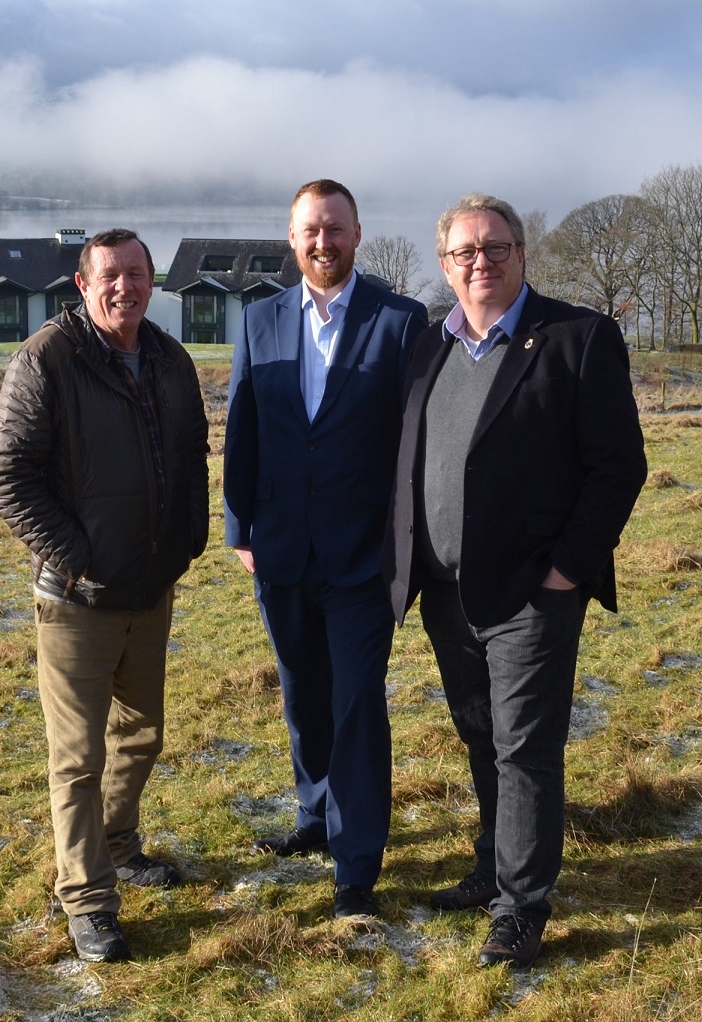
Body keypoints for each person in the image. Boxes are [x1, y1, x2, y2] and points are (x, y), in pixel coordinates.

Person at [385, 193, 646, 969]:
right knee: (480, 735)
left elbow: (618, 466)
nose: (481, 263)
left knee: (526, 748)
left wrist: (568, 568)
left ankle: (522, 911)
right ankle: (493, 867)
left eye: (496, 248)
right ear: (445, 264)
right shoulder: (428, 347)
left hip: (533, 591)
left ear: (522, 254)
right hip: (445, 589)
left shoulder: (577, 339)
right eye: (465, 252)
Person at [0, 228, 210, 963]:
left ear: (153, 281)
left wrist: (186, 543)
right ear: (82, 284)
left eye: (137, 274)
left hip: (151, 589)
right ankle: (87, 899)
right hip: (77, 599)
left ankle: (119, 842)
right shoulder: (47, 358)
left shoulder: (171, 360)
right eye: (110, 275)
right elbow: (6, 474)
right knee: (76, 756)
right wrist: (75, 557)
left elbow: (191, 453)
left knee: (141, 734)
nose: (125, 287)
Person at [224, 179, 429, 919]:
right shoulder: (258, 320)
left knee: (354, 703)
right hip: (279, 553)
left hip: (363, 560)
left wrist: (407, 544)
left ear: (357, 234)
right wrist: (238, 527)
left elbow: (415, 446)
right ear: (291, 237)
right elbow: (242, 428)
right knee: (303, 694)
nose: (323, 241)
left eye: (335, 229)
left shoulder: (402, 322)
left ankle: (356, 864)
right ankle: (316, 813)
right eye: (311, 229)